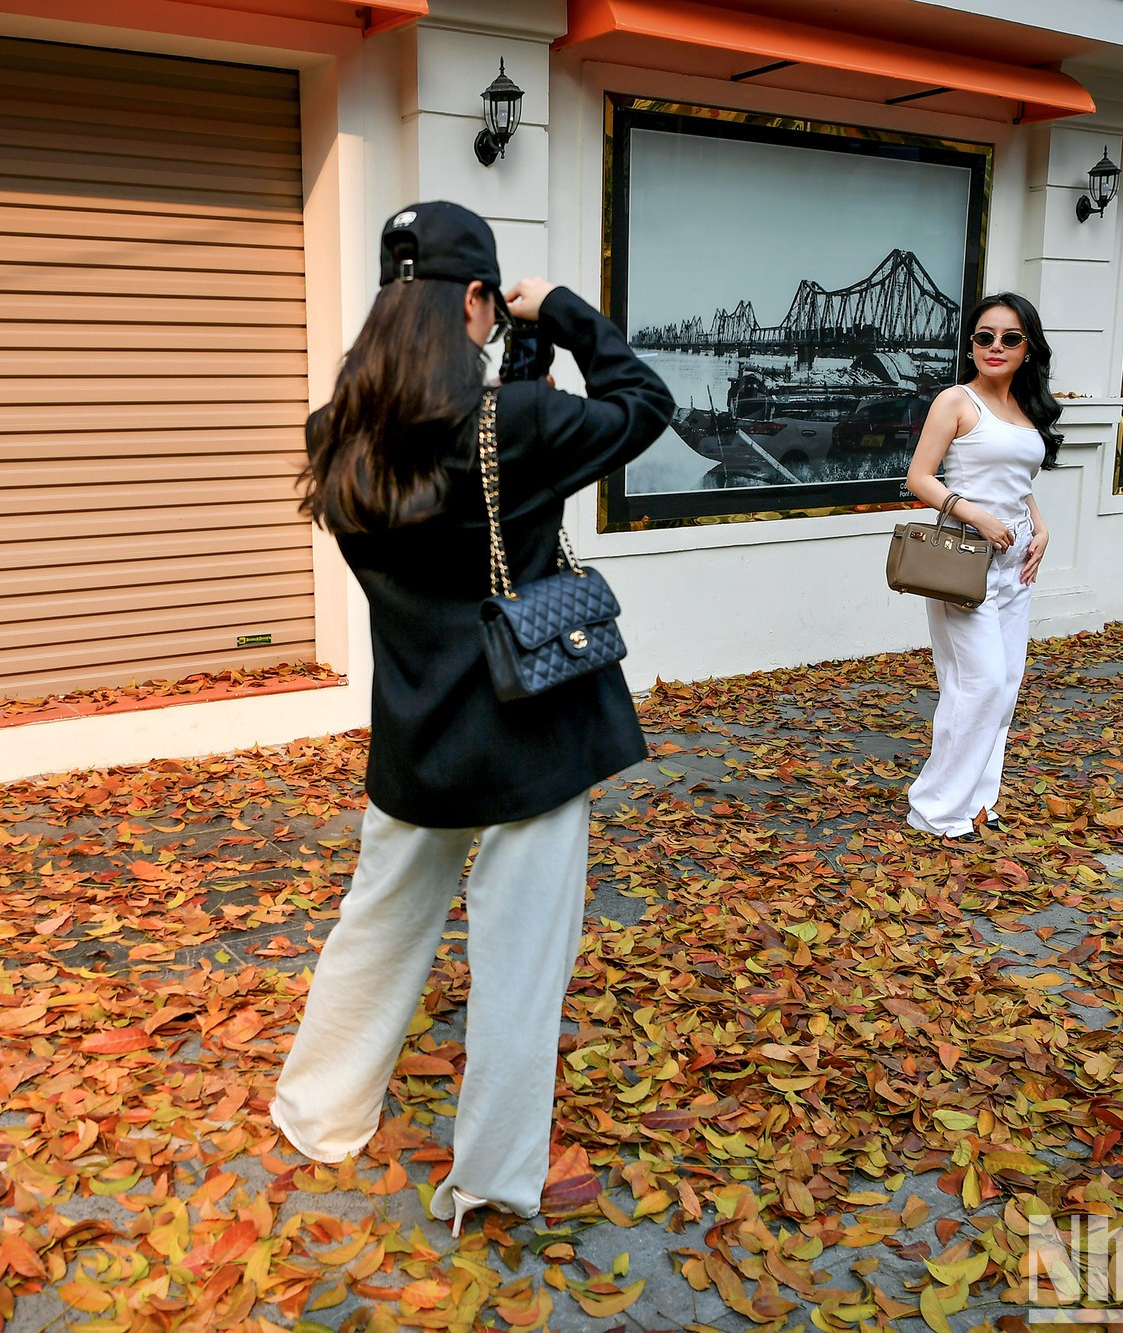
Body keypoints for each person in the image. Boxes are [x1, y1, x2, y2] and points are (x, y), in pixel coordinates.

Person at [270, 203, 672, 1232]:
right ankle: (492, 1178)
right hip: (528, 727)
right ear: (473, 298)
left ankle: (318, 1115)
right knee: (517, 961)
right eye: (493, 305)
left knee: (376, 928)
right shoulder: (515, 426)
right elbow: (641, 402)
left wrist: (519, 353)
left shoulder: (336, 434)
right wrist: (568, 313)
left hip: (416, 731)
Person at [902, 293, 1061, 840]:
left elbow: (1019, 481)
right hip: (965, 562)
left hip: (1017, 565)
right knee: (979, 683)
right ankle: (935, 807)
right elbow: (920, 478)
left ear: (1028, 348)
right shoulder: (956, 400)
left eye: (1009, 338)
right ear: (971, 345)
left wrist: (1038, 524)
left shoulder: (1027, 408)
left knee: (1006, 684)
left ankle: (977, 800)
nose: (995, 347)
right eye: (983, 337)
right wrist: (979, 518)